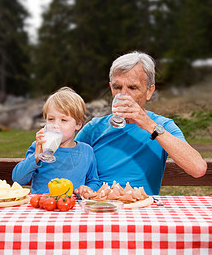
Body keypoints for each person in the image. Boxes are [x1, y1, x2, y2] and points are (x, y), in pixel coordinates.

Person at [75, 51, 207, 195]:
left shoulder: (162, 126)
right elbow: (66, 159)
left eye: (132, 88)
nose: (123, 95)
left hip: (141, 209)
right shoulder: (95, 128)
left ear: (149, 91)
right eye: (117, 87)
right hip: (100, 207)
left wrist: (148, 125)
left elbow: (198, 168)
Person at [12, 87, 102, 194]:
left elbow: (94, 181)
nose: (56, 125)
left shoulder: (87, 151)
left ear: (78, 124)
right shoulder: (39, 147)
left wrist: (88, 189)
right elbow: (18, 179)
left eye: (63, 120)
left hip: (71, 207)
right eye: (51, 119)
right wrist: (35, 157)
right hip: (43, 206)